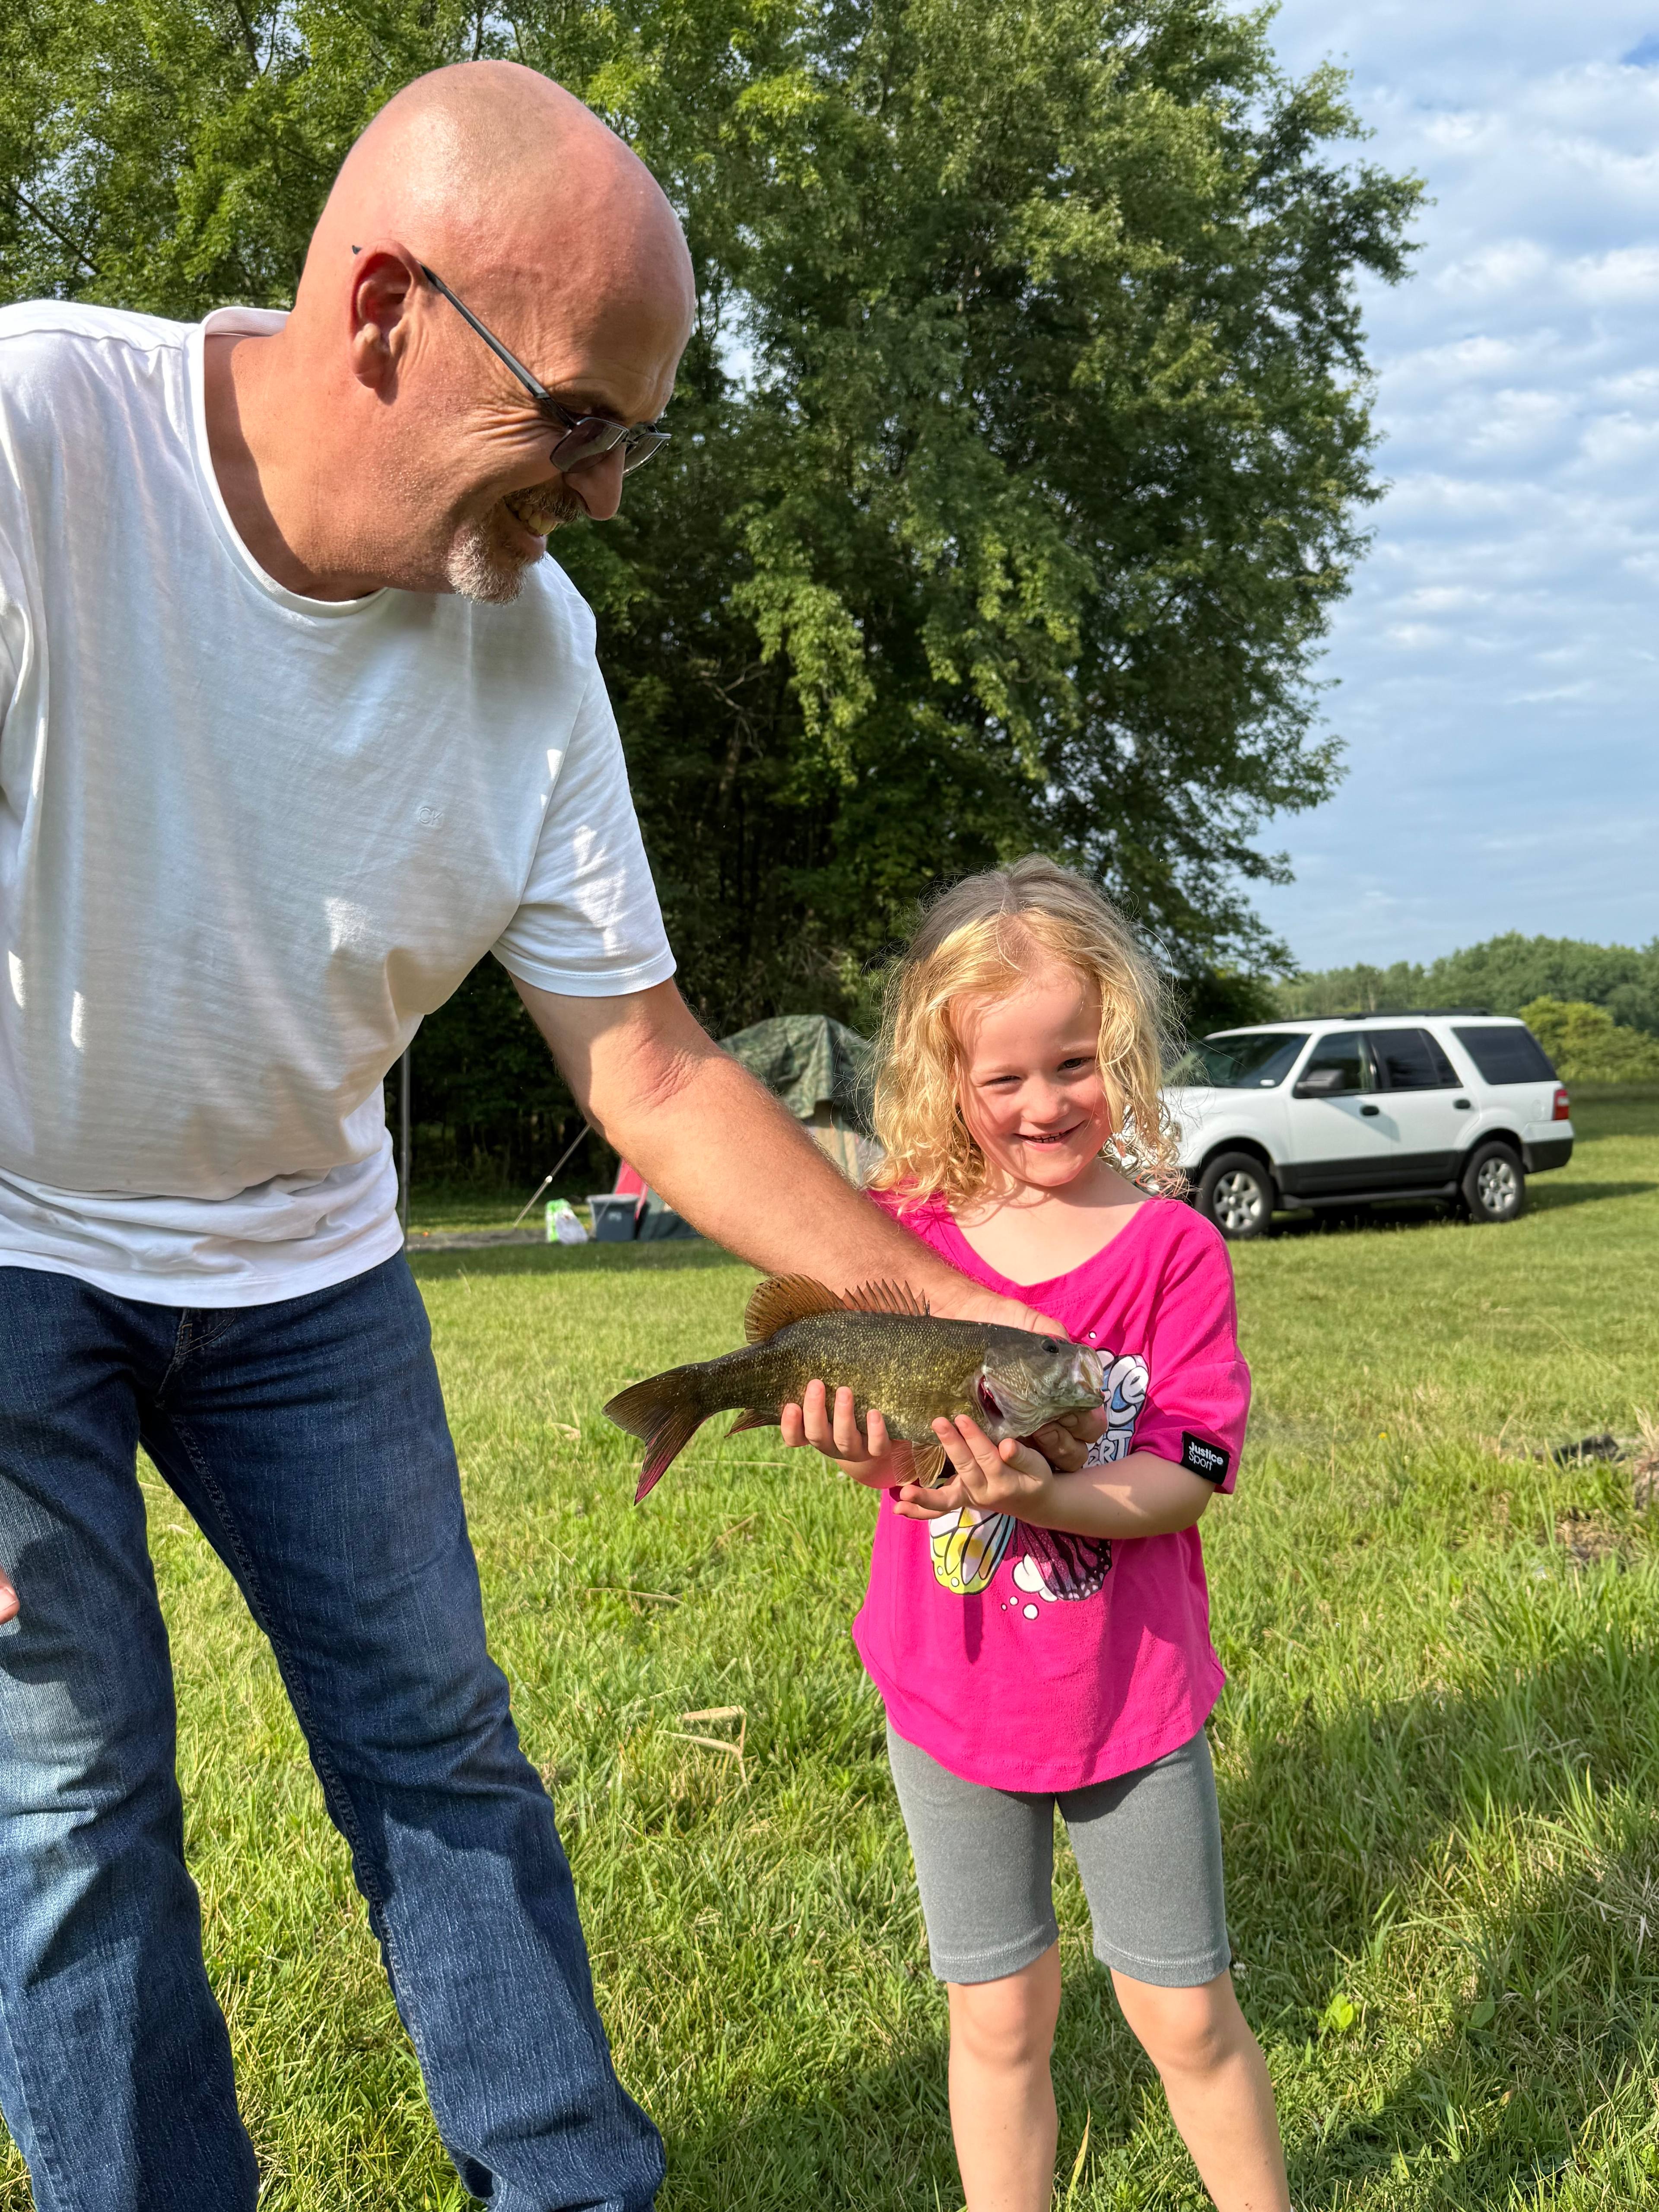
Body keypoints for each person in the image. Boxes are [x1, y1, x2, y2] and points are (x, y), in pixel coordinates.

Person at [0, 61, 1054, 2212]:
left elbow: (648, 1067)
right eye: (577, 417)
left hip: (305, 1263)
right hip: (11, 1237)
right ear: (385, 306)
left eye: (638, 435)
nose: (610, 490)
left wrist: (949, 1329)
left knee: (440, 1736)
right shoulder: (36, 452)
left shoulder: (531, 649)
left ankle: (572, 2186)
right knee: (67, 1804)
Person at [782, 857, 1291, 2212]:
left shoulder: (1174, 1250)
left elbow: (1182, 1477)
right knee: (998, 2017)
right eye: (1001, 1077)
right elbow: (903, 1474)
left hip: (1132, 1699)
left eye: (1073, 1063)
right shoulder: (900, 1242)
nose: (1043, 1103)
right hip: (949, 1694)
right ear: (944, 1079)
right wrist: (870, 1457)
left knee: (1186, 2013)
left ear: (1121, 1045)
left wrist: (1041, 1497)